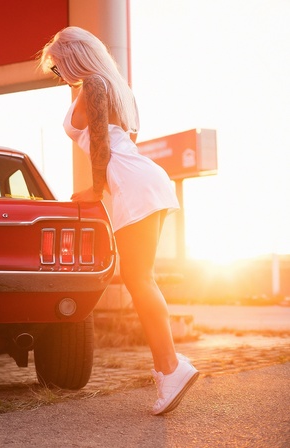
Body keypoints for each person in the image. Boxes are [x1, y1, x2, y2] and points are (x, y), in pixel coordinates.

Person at [39, 26, 199, 415]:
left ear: (75, 58)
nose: (59, 74)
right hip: (143, 179)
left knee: (139, 279)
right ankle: (169, 368)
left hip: (132, 183)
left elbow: (101, 140)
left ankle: (171, 368)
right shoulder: (112, 86)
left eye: (59, 66)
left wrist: (96, 189)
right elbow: (119, 138)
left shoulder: (94, 84)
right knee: (142, 278)